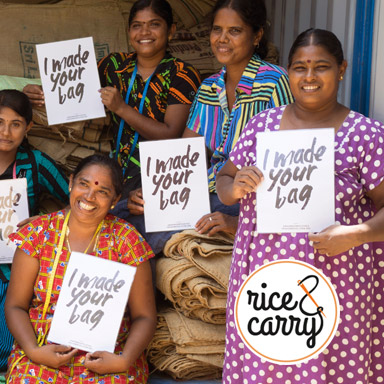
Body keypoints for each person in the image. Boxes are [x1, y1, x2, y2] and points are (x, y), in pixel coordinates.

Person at [216, 28, 384, 384]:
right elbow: (224, 182)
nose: (309, 77)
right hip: (266, 281)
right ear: (288, 72)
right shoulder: (262, 127)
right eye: (299, 67)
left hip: (339, 282)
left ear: (341, 69)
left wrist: (356, 234)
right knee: (266, 366)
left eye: (321, 66)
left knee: (333, 367)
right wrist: (234, 189)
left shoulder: (366, 135)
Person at [125, 0, 293, 254]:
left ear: (257, 35)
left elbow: (289, 164)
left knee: (139, 236)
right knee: (122, 215)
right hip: (203, 193)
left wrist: (240, 221)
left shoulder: (275, 82)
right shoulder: (208, 88)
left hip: (247, 199)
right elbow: (185, 156)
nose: (222, 39)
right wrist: (153, 191)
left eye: (234, 31)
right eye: (217, 30)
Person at [25, 0, 201, 201]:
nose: (144, 32)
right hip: (116, 170)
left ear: (171, 30)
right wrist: (36, 91)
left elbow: (170, 135)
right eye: (137, 25)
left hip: (161, 175)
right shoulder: (114, 65)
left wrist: (121, 108)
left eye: (154, 24)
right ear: (129, 31)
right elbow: (69, 90)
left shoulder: (182, 74)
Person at [4, 154, 156, 384]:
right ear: (71, 182)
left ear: (115, 200)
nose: (89, 196)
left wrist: (124, 361)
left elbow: (144, 316)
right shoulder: (39, 234)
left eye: (102, 192)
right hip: (42, 353)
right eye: (83, 184)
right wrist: (34, 350)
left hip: (108, 359)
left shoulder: (127, 241)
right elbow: (15, 306)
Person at [0, 89, 69, 372]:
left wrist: (43, 221)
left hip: (14, 271)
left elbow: (77, 203)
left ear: (28, 127)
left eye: (16, 123)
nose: (6, 131)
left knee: (5, 349)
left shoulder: (35, 164)